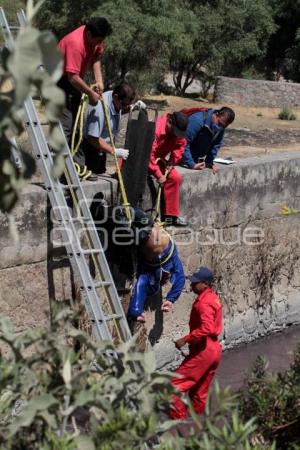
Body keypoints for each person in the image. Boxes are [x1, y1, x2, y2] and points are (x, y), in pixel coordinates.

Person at [58, 17, 112, 179]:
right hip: (58, 81)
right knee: (66, 127)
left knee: (78, 127)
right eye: (98, 40)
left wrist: (99, 80)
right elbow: (72, 77)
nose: (99, 43)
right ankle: (61, 171)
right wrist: (90, 93)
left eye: (101, 41)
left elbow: (96, 57)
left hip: (72, 80)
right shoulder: (75, 43)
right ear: (88, 34)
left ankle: (78, 168)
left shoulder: (95, 38)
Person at [169, 266, 223, 419]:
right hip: (214, 350)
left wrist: (184, 340)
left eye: (195, 282)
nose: (191, 285)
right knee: (200, 391)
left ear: (205, 284)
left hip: (204, 350)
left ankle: (177, 423)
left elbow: (207, 328)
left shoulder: (204, 303)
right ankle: (196, 427)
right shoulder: (213, 297)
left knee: (173, 387)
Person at [127, 209, 185, 324]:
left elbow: (140, 287)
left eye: (165, 279)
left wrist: (137, 312)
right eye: (167, 279)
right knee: (142, 221)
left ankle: (108, 211)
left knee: (132, 226)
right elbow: (180, 278)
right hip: (157, 243)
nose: (166, 279)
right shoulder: (171, 261)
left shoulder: (147, 277)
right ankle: (120, 211)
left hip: (147, 244)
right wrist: (170, 299)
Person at [78, 82, 136, 174]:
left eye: (128, 104)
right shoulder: (100, 109)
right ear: (116, 97)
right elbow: (92, 138)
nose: (125, 107)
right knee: (91, 176)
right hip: (91, 149)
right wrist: (114, 151)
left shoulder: (116, 100)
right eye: (124, 104)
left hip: (102, 148)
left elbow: (120, 110)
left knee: (101, 172)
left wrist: (134, 107)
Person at [148, 112, 188, 227]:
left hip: (157, 160)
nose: (176, 135)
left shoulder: (176, 133)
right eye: (175, 132)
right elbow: (148, 154)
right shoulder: (156, 129)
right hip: (142, 159)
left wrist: (172, 160)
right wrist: (159, 174)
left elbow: (180, 145)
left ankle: (171, 217)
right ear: (169, 122)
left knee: (175, 178)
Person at [181, 107, 235, 174]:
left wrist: (209, 162)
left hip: (194, 157)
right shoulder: (197, 120)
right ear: (216, 114)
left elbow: (216, 145)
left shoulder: (221, 127)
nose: (220, 127)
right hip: (180, 157)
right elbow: (183, 143)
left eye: (223, 126)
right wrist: (191, 164)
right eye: (219, 123)